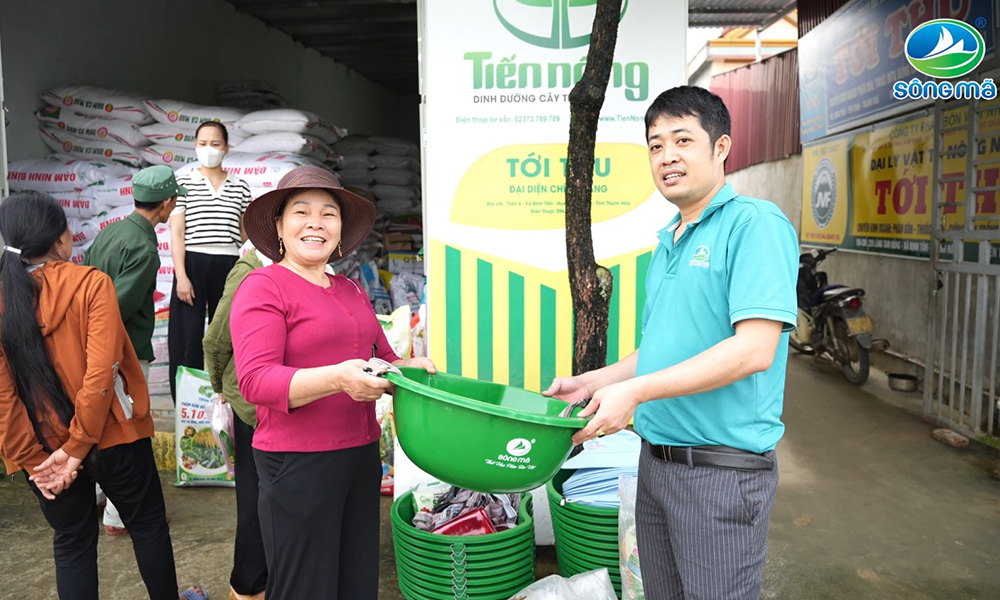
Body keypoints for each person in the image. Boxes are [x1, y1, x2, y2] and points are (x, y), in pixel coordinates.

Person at [544, 86, 799, 600]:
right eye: (656, 145)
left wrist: (634, 395)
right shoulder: (668, 242)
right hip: (655, 465)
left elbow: (754, 350)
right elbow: (658, 352)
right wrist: (593, 382)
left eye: (683, 140)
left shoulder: (755, 225)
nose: (667, 156)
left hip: (720, 473)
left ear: (721, 147)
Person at [229, 166, 436, 600]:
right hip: (298, 463)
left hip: (359, 457)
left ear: (340, 230)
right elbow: (255, 379)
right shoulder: (263, 287)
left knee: (356, 582)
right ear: (280, 228)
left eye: (329, 214)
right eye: (301, 212)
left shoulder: (349, 289)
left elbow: (381, 356)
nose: (316, 223)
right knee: (306, 587)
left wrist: (409, 369)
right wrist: (337, 379)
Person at [0, 191, 207, 600]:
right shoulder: (91, 284)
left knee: (72, 542)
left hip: (44, 450)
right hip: (114, 434)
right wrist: (77, 448)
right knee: (147, 525)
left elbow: (5, 399)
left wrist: (36, 461)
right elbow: (100, 377)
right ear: (62, 239)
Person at [83, 165, 183, 536]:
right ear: (167, 203)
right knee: (126, 430)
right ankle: (119, 516)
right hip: (121, 349)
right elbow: (115, 306)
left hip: (96, 345)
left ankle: (95, 497)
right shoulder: (143, 247)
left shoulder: (112, 233)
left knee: (101, 424)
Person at [203, 239, 271, 600]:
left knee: (271, 497)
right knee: (255, 498)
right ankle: (247, 585)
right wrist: (220, 387)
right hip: (254, 405)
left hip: (288, 402)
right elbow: (216, 340)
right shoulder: (248, 272)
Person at [168, 121, 252, 401]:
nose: (209, 149)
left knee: (227, 331)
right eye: (202, 143)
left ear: (226, 149)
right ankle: (185, 397)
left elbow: (244, 229)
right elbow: (177, 232)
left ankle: (226, 394)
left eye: (215, 144)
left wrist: (232, 245)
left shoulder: (240, 186)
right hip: (192, 263)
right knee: (188, 335)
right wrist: (181, 275)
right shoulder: (184, 184)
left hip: (227, 264)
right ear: (194, 146)